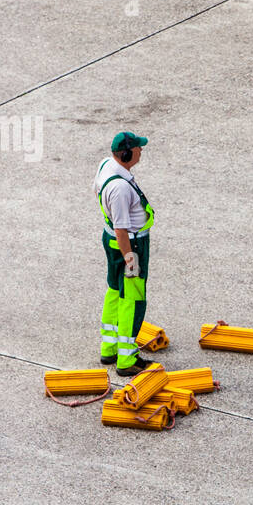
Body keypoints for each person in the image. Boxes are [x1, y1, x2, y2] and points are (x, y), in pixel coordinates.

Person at [95, 132, 156, 376]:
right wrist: (131, 258)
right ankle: (127, 360)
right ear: (127, 154)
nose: (141, 151)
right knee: (132, 299)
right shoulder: (120, 188)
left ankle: (109, 348)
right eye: (138, 148)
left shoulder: (106, 165)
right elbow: (122, 228)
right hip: (129, 244)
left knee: (114, 290)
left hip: (111, 240)